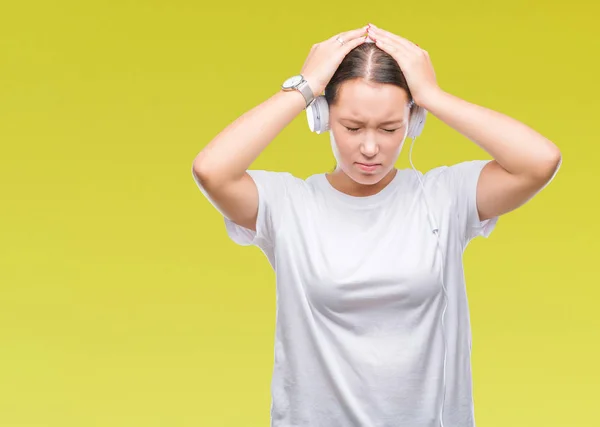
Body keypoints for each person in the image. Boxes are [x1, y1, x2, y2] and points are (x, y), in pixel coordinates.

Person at [192, 23, 561, 427]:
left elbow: (539, 161)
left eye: (389, 129)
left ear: (413, 121)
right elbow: (211, 170)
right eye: (352, 128)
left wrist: (433, 95)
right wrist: (305, 87)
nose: (370, 148)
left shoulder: (445, 196)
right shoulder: (288, 204)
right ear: (322, 116)